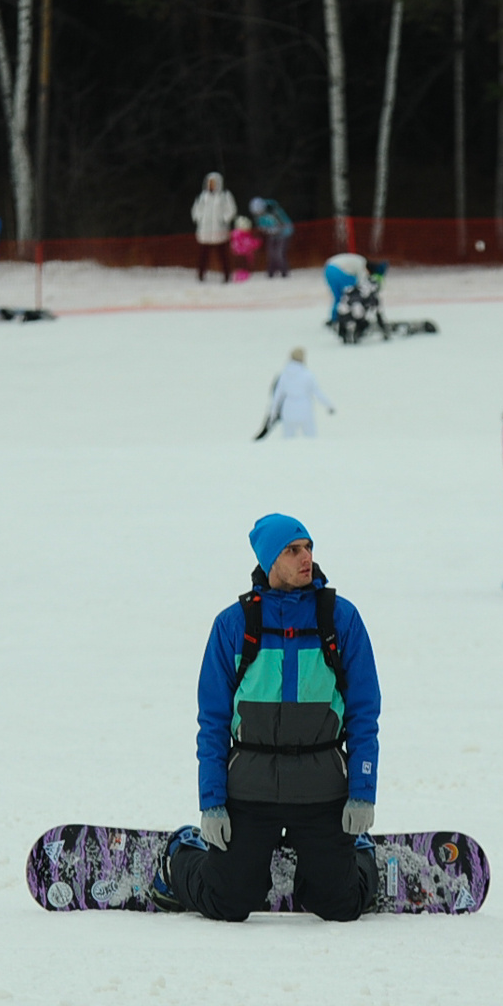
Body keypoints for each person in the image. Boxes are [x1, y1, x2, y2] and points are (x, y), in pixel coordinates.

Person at [151, 514, 382, 923]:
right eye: (293, 550)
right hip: (251, 790)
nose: (305, 557)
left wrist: (362, 791)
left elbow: (364, 713)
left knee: (339, 904)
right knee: (228, 902)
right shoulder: (233, 626)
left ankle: (359, 850)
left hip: (321, 788)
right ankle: (179, 856)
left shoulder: (340, 620)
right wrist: (213, 803)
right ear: (269, 559)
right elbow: (214, 723)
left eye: (308, 547)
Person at [263, 348, 334, 440]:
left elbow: (278, 396)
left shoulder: (284, 375)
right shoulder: (308, 375)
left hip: (288, 408)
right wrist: (329, 405)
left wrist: (273, 412)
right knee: (311, 438)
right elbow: (318, 393)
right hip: (305, 408)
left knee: (287, 439)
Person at [192, 173, 237, 284]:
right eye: (210, 183)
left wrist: (224, 219)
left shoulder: (225, 195)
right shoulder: (202, 197)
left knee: (223, 255)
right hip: (205, 231)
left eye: (214, 183)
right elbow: (196, 209)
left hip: (219, 230)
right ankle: (201, 275)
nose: (212, 185)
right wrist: (199, 218)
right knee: (203, 255)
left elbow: (231, 210)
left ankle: (227, 275)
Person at [323, 251, 373, 324]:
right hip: (338, 270)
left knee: (338, 296)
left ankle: (335, 318)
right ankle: (351, 316)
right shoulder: (362, 263)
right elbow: (362, 280)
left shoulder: (358, 259)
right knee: (350, 294)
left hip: (328, 269)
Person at [251, 197, 295, 277]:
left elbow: (281, 224)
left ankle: (284, 272)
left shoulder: (273, 211)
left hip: (285, 233)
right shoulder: (258, 216)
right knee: (270, 253)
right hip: (272, 234)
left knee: (279, 253)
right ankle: (271, 272)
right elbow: (261, 226)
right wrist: (266, 230)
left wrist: (274, 230)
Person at [229, 216, 261, 281]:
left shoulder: (234, 234)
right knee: (243, 265)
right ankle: (242, 276)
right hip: (243, 254)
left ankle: (240, 275)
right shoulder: (242, 235)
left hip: (237, 253)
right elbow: (249, 243)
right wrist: (258, 242)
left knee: (240, 265)